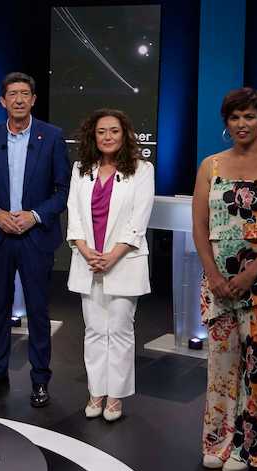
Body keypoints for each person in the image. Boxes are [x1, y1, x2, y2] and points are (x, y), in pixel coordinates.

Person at [193, 87, 257, 471]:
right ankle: (217, 442)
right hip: (218, 282)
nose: (242, 123)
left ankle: (247, 448)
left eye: (249, 116)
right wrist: (214, 274)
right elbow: (200, 227)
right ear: (226, 123)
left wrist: (250, 274)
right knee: (220, 367)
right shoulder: (211, 166)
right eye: (235, 117)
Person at [0, 72, 69, 408]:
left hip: (35, 236)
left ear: (33, 99)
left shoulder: (52, 136)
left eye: (25, 93)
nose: (18, 100)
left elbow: (62, 190)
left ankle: (40, 380)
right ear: (2, 101)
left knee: (38, 312)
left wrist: (34, 216)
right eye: (12, 94)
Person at [66, 108, 154, 422]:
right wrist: (86, 249)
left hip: (123, 262)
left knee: (118, 330)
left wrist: (112, 256)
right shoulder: (81, 168)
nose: (107, 137)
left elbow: (138, 220)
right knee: (92, 330)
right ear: (93, 135)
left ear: (124, 134)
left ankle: (115, 397)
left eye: (114, 131)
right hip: (87, 260)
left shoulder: (142, 169)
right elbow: (73, 213)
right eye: (102, 131)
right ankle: (96, 392)